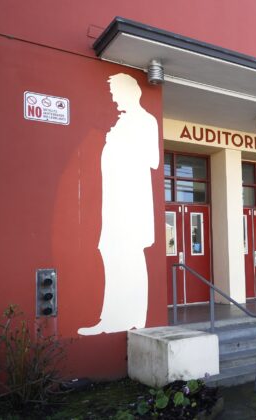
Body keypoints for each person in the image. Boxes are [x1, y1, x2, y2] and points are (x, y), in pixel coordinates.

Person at [79, 73, 158, 335]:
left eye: (115, 93)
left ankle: (135, 319)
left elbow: (153, 160)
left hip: (131, 206)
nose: (112, 98)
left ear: (130, 92)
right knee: (110, 254)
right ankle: (111, 318)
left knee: (130, 257)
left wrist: (121, 141)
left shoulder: (145, 121)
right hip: (114, 204)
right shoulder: (121, 122)